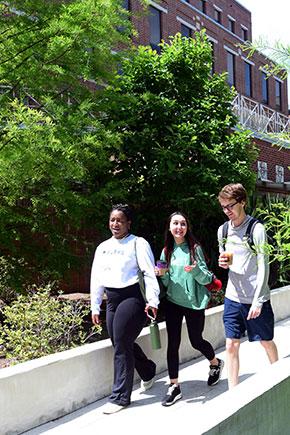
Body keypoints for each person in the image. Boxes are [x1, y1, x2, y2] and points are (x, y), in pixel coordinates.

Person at [90, 204, 160, 414]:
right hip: (111, 299)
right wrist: (95, 305)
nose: (115, 224)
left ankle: (120, 396)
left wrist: (153, 301)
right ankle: (147, 371)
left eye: (120, 220)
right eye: (113, 220)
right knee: (119, 341)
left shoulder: (138, 243)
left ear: (128, 223)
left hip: (133, 297)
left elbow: (149, 273)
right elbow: (96, 277)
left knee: (121, 342)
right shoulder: (102, 247)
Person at [156, 211, 224, 407]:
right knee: (173, 343)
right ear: (170, 227)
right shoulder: (166, 251)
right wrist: (162, 275)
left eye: (183, 224)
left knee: (196, 340)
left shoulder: (195, 249)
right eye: (175, 223)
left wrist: (194, 269)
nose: (179, 227)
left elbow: (205, 278)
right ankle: (174, 386)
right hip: (173, 303)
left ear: (187, 228)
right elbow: (167, 283)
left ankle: (215, 363)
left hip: (194, 303)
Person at [217, 183, 278, 389]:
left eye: (230, 206)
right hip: (233, 296)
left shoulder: (256, 229)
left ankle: (279, 378)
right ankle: (233, 394)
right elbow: (225, 259)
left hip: (255, 299)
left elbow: (263, 266)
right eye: (223, 207)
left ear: (242, 202)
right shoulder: (223, 230)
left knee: (265, 341)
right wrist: (223, 263)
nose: (227, 211)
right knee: (231, 345)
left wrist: (258, 300)